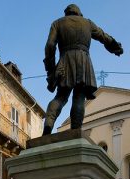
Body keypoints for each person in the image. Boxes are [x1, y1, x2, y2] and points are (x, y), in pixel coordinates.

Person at [42, 4, 123, 135]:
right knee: (79, 97)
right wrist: (115, 47)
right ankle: (75, 130)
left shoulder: (57, 23)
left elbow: (50, 45)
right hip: (83, 62)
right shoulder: (87, 23)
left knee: (60, 97)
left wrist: (51, 69)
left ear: (66, 13)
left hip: (65, 61)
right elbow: (103, 36)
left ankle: (48, 126)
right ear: (79, 13)